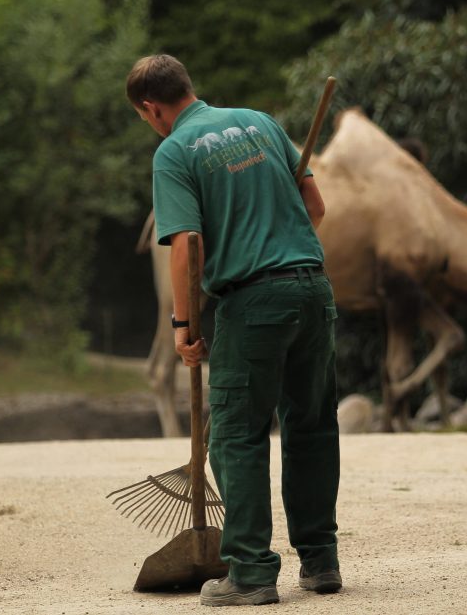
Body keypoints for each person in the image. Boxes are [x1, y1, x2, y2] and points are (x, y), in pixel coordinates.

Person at [125, 54, 341, 607]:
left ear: (151, 109)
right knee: (311, 426)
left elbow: (188, 246)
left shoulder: (173, 152)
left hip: (253, 303)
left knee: (237, 436)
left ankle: (249, 572)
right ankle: (320, 563)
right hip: (313, 289)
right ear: (188, 88)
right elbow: (313, 205)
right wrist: (273, 235)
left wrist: (183, 323)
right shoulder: (261, 122)